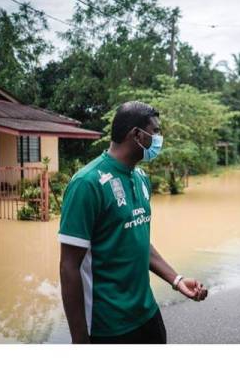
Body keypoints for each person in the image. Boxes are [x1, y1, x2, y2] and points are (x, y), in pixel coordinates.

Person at [59, 101, 208, 344]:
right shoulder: (86, 184)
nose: (159, 138)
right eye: (156, 131)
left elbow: (138, 241)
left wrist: (177, 280)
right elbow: (69, 268)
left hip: (147, 313)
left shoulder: (140, 178)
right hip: (109, 325)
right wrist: (79, 339)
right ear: (137, 135)